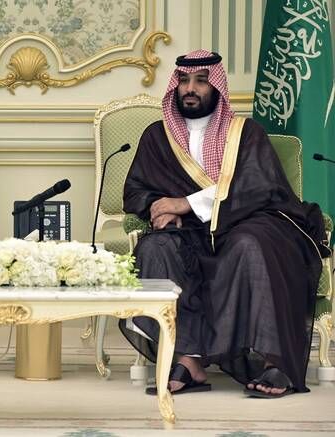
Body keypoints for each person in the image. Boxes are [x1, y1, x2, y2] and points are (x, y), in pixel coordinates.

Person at [120, 49, 329, 398]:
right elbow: (136, 190)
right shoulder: (157, 136)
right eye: (184, 81)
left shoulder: (245, 132)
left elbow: (257, 187)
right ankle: (188, 360)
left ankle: (272, 360)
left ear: (216, 86)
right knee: (156, 247)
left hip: (243, 221)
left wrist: (185, 203)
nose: (190, 88)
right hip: (188, 232)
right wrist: (160, 207)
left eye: (201, 81)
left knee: (252, 246)